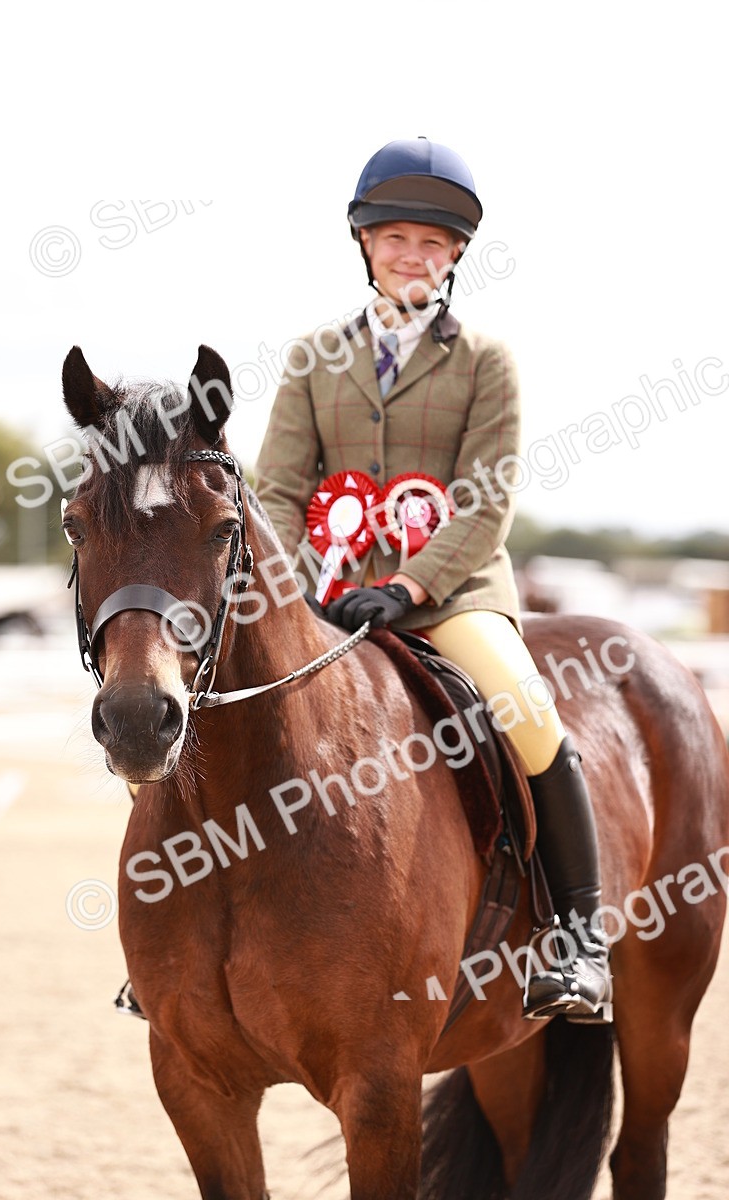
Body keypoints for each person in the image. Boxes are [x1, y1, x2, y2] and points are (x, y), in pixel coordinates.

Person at [254, 137, 612, 1023]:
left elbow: (486, 502)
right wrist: (306, 590)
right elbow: (278, 491)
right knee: (219, 700)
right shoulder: (310, 358)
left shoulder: (486, 361)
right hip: (327, 594)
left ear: (454, 256)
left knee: (526, 712)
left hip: (451, 596)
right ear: (365, 244)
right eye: (395, 238)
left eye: (432, 243)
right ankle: (179, 936)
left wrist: (407, 588)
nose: (411, 255)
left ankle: (579, 941)